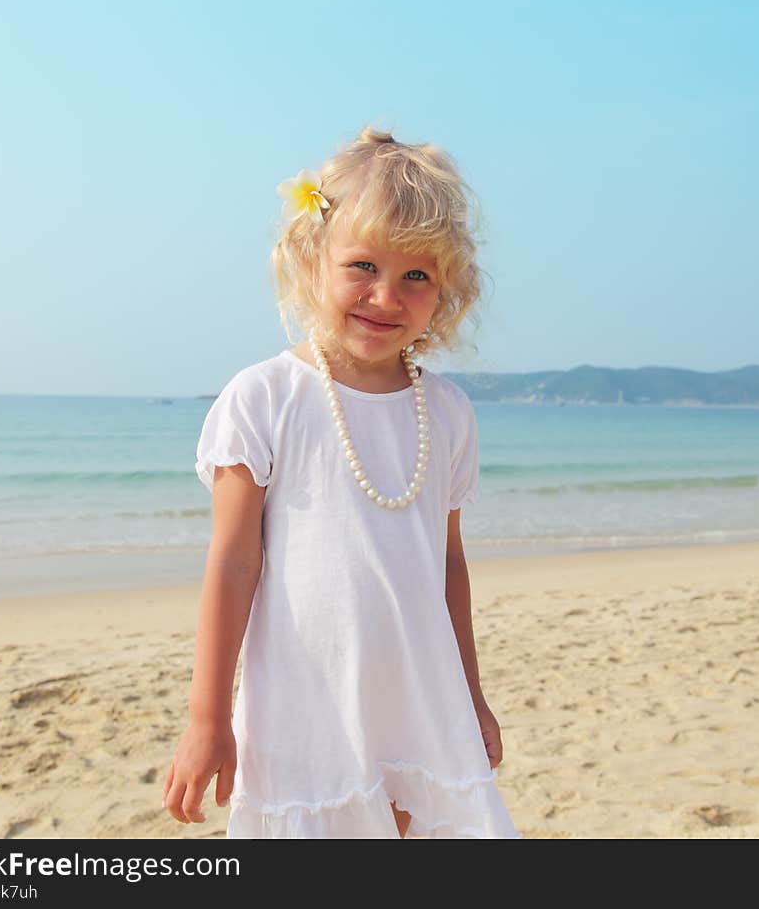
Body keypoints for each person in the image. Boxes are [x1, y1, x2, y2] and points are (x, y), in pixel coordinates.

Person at [162, 125, 522, 839]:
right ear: (311, 259)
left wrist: (470, 695)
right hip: (305, 705)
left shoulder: (445, 412)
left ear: (446, 290)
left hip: (420, 699)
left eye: (417, 275)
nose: (386, 296)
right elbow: (234, 563)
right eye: (363, 265)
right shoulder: (265, 396)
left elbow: (447, 566)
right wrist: (207, 717)